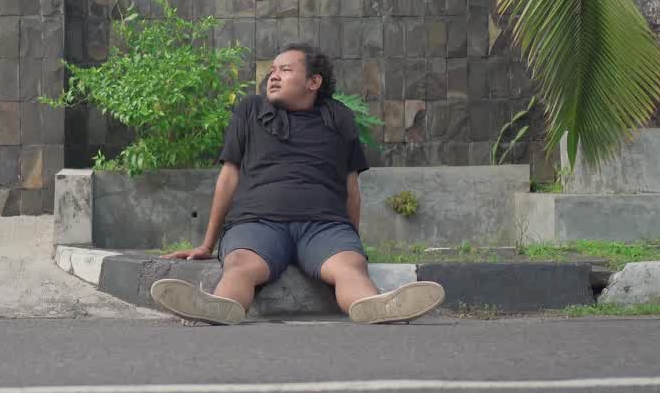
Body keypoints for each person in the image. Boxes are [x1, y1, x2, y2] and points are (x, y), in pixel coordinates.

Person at [149, 44, 445, 325]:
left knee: (349, 268)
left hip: (324, 226)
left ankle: (377, 307)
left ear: (313, 82)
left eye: (285, 70)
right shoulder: (250, 111)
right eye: (273, 70)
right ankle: (217, 306)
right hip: (256, 223)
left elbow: (351, 188)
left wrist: (350, 243)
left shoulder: (339, 116)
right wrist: (207, 244)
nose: (273, 76)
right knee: (240, 265)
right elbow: (229, 177)